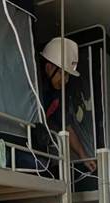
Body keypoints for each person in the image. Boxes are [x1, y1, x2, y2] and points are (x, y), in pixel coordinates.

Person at [39, 37, 97, 172]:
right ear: (48, 68)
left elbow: (67, 126)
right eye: (62, 74)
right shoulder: (34, 86)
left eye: (68, 76)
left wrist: (83, 156)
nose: (65, 80)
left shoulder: (57, 95)